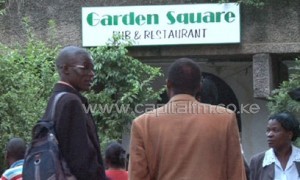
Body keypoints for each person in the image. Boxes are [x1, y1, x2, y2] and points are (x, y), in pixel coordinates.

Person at [129, 57, 246, 179]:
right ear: (199, 87)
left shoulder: (142, 125)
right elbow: (236, 174)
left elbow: (137, 176)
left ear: (168, 84)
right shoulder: (225, 119)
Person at [42, 46, 106, 179]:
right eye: (85, 67)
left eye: (92, 68)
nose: (92, 73)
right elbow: (81, 161)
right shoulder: (71, 102)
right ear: (65, 69)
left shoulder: (56, 99)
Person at [249, 111, 300, 180]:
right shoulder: (258, 161)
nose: (269, 134)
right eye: (268, 130)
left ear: (289, 134)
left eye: (275, 130)